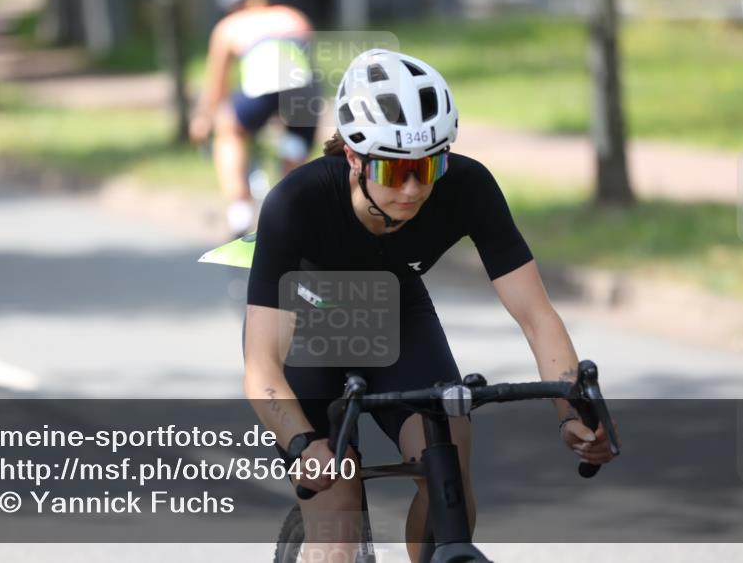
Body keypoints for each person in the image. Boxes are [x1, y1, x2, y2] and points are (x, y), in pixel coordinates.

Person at [242, 49, 619, 561]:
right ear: (353, 157)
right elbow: (261, 365)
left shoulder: (467, 186)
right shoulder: (296, 201)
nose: (414, 189)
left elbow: (537, 316)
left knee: (450, 473)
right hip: (310, 329)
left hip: (397, 316)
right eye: (395, 171)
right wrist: (301, 443)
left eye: (428, 166)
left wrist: (570, 412)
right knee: (337, 527)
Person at [189, 0, 317, 237]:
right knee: (295, 146)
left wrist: (203, 119)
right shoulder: (294, 16)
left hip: (261, 92)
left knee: (230, 131)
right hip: (304, 92)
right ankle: (291, 209)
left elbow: (217, 85)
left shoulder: (230, 26)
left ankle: (240, 210)